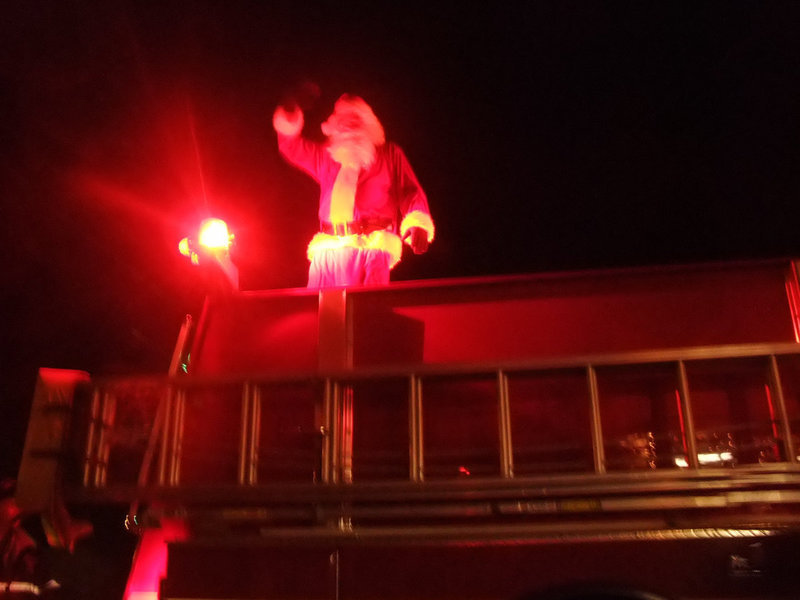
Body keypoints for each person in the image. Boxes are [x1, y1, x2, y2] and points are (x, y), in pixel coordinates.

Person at [273, 94, 434, 288]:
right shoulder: (327, 158)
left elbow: (410, 191)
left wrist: (418, 224)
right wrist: (289, 116)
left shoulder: (388, 155)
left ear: (368, 123)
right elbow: (292, 148)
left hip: (372, 248)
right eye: (343, 120)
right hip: (328, 250)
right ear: (334, 126)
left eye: (355, 119)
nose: (349, 125)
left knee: (367, 311)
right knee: (319, 311)